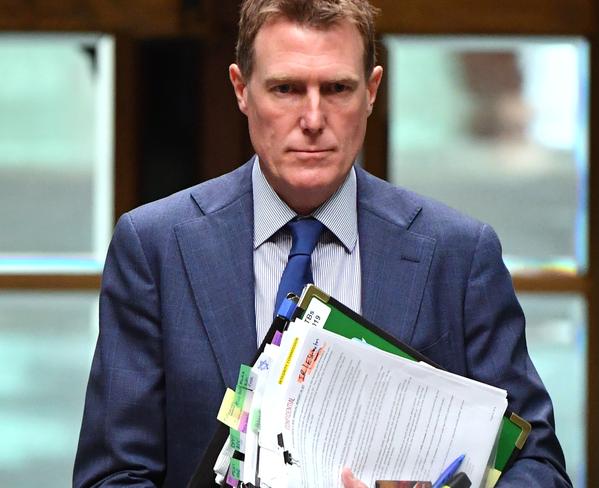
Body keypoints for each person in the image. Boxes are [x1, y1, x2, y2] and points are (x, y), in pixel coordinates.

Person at [74, 1, 572, 487]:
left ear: (372, 91)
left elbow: (539, 468)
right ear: (241, 89)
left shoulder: (458, 254)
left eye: (336, 88)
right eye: (287, 88)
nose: (313, 119)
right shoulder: (155, 247)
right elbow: (112, 476)